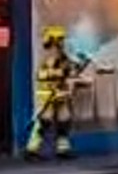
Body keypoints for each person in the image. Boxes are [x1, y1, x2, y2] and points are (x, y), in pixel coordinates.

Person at [26, 26, 82, 160]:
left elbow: (71, 69)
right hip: (48, 93)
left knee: (64, 119)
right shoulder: (48, 56)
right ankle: (31, 150)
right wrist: (63, 72)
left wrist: (76, 67)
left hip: (60, 91)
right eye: (61, 40)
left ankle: (63, 149)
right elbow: (42, 74)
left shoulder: (63, 57)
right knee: (45, 121)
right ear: (54, 41)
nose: (63, 43)